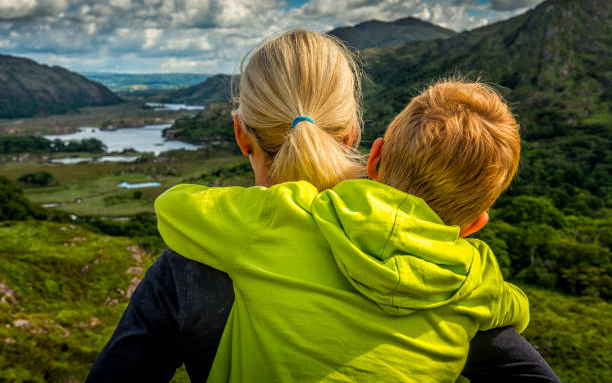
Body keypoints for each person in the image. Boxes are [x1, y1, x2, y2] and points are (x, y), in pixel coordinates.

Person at [87, 30, 560, 382]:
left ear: (240, 133)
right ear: (354, 135)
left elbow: (175, 207)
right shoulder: (454, 277)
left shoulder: (197, 265)